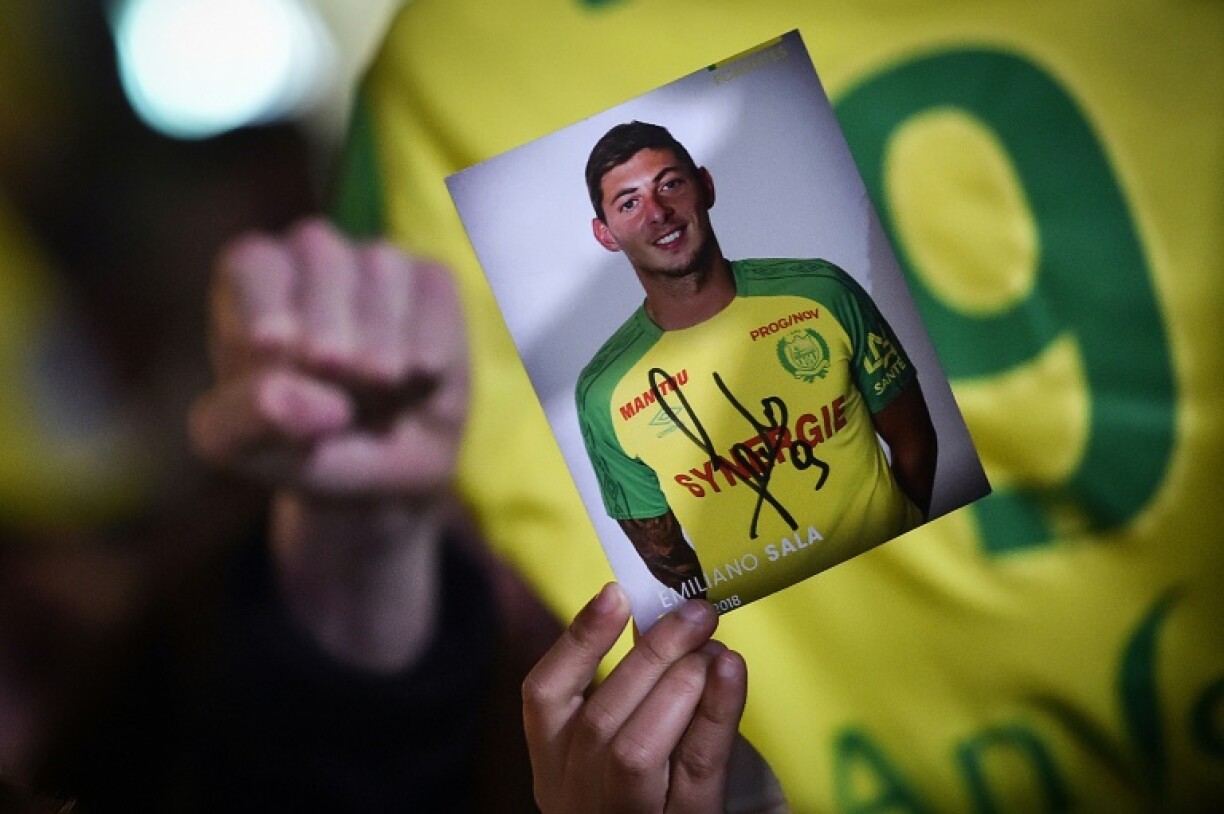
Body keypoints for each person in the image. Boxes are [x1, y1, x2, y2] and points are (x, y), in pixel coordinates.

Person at [575, 121, 937, 607]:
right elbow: (668, 561)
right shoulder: (605, 392)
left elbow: (915, 441)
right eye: (629, 202)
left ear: (705, 186)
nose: (658, 212)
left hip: (908, 585)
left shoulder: (822, 292)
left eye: (670, 184)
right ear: (607, 234)